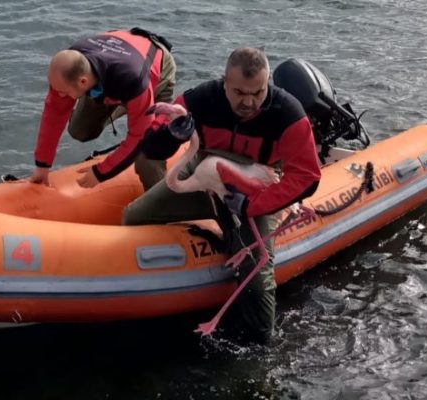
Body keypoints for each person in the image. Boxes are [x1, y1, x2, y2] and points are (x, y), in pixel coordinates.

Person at [123, 48, 322, 343]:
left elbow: (307, 176)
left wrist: (252, 205)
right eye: (239, 92)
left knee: (256, 279)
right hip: (202, 172)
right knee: (133, 216)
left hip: (251, 190)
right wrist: (171, 135)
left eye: (258, 92)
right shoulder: (200, 99)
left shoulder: (287, 112)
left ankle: (260, 347)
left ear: (267, 84)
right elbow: (152, 147)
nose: (249, 102)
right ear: (224, 82)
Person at [30, 28, 176, 190]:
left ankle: (162, 199)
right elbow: (54, 115)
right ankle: (131, 107)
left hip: (155, 70)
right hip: (118, 49)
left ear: (83, 82)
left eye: (63, 92)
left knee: (147, 156)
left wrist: (101, 172)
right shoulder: (67, 68)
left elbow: (140, 136)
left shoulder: (133, 80)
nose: (60, 95)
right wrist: (42, 165)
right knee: (80, 130)